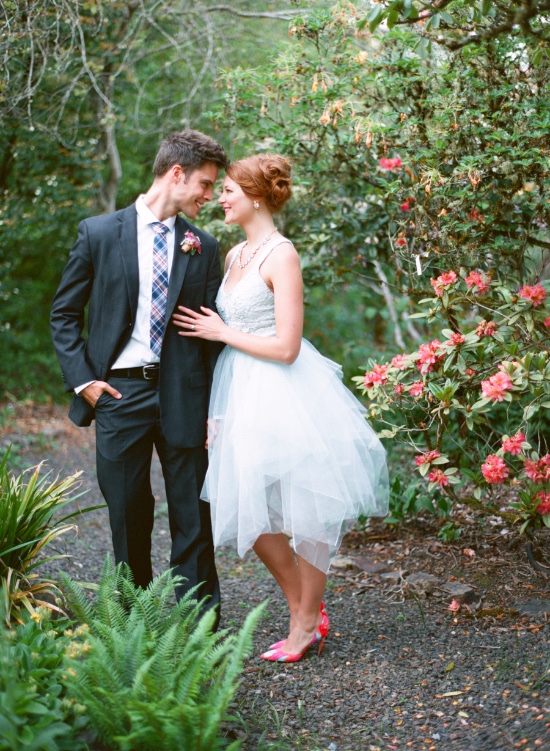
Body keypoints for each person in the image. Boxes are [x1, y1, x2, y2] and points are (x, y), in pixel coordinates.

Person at [172, 154, 389, 661]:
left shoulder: (282, 254)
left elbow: (288, 345)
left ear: (254, 195)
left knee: (307, 508)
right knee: (247, 505)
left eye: (227, 189)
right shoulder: (233, 257)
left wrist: (224, 332)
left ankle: (305, 620)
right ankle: (302, 605)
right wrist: (216, 406)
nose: (220, 197)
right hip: (238, 389)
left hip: (286, 388)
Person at [50, 130, 228, 625]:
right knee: (128, 513)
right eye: (206, 185)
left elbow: (211, 334)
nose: (209, 197)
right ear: (177, 174)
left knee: (193, 514)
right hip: (118, 392)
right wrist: (84, 381)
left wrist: (217, 408)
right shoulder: (99, 232)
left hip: (183, 391)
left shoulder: (203, 245)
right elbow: (64, 314)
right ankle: (136, 622)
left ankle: (199, 629)